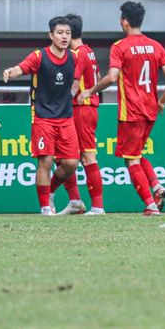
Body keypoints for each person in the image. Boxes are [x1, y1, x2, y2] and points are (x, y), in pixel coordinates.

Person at [78, 1, 165, 216]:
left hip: (131, 111)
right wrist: (163, 101)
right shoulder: (155, 46)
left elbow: (112, 77)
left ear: (124, 22)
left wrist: (90, 90)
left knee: (131, 158)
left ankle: (150, 205)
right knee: (137, 153)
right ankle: (157, 186)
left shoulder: (120, 47)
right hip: (151, 110)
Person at [3, 16, 81, 216]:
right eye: (60, 33)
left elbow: (76, 80)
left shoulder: (74, 57)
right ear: (51, 35)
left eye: (67, 33)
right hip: (43, 116)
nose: (64, 37)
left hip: (66, 116)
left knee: (72, 162)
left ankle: (51, 191)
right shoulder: (39, 56)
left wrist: (75, 95)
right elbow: (21, 68)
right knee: (45, 161)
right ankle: (45, 207)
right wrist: (11, 72)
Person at [51, 13, 105, 215]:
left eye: (65, 31)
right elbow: (98, 77)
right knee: (66, 156)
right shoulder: (89, 51)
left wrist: (62, 100)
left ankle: (97, 207)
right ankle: (75, 201)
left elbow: (74, 84)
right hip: (87, 108)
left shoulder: (76, 54)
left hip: (81, 109)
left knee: (87, 158)